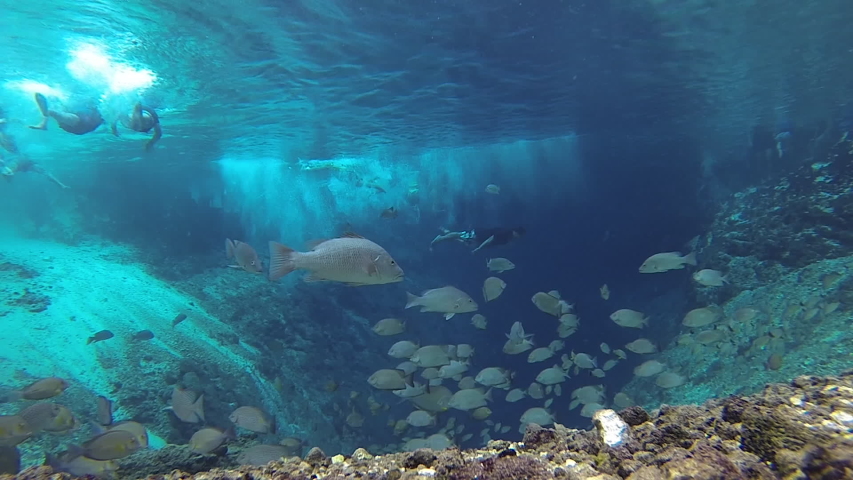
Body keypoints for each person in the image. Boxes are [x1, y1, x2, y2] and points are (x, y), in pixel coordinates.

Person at [28, 93, 103, 135]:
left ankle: (44, 121)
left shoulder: (100, 113)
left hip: (81, 123)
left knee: (55, 112)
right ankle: (43, 123)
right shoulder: (100, 114)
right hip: (76, 126)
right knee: (60, 111)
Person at [430, 226, 525, 253]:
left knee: (464, 241)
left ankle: (447, 232)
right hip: (478, 235)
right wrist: (479, 248)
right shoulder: (506, 233)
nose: (518, 238)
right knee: (461, 235)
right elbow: (490, 239)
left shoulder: (508, 237)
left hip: (479, 239)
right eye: (519, 236)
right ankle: (439, 239)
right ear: (516, 232)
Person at [0, 157, 69, 189]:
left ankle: (61, 185)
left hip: (20, 164)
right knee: (46, 173)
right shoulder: (32, 164)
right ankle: (61, 185)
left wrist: (61, 184)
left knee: (7, 167)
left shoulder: (32, 165)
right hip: (20, 163)